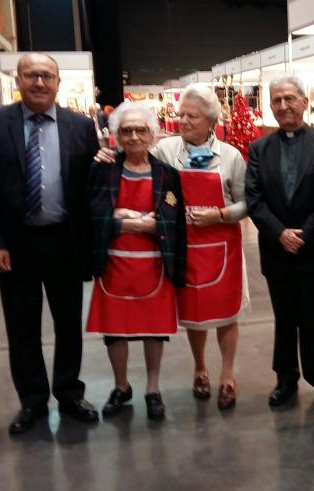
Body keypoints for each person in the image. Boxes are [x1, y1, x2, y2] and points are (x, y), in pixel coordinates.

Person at [95, 84, 249, 410]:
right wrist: (108, 154)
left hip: (223, 246)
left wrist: (220, 214)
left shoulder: (231, 156)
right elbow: (135, 160)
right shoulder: (167, 152)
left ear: (211, 120)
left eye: (191, 116)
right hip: (183, 246)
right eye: (181, 114)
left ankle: (228, 376)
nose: (183, 121)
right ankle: (200, 369)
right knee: (194, 314)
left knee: (226, 315)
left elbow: (246, 203)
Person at [0, 52, 101, 434]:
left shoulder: (80, 126)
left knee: (68, 323)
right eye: (32, 75)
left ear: (58, 82)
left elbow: (91, 187)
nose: (40, 83)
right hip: (16, 246)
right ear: (18, 79)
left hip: (65, 241)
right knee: (22, 327)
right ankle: (32, 401)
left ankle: (68, 393)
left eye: (47, 76)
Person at [86, 102, 186, 420]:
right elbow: (91, 215)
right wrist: (125, 222)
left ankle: (153, 389)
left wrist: (143, 221)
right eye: (126, 130)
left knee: (154, 330)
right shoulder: (102, 169)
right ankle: (121, 386)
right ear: (116, 136)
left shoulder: (167, 174)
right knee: (115, 331)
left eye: (140, 130)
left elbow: (173, 219)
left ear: (152, 135)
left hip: (154, 266)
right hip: (113, 266)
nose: (133, 136)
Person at [245, 75, 314, 409]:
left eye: (289, 98)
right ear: (270, 106)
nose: (282, 106)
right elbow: (254, 198)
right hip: (276, 249)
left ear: (304, 101)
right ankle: (285, 379)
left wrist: (305, 233)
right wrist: (279, 233)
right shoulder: (259, 149)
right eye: (276, 101)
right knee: (284, 318)